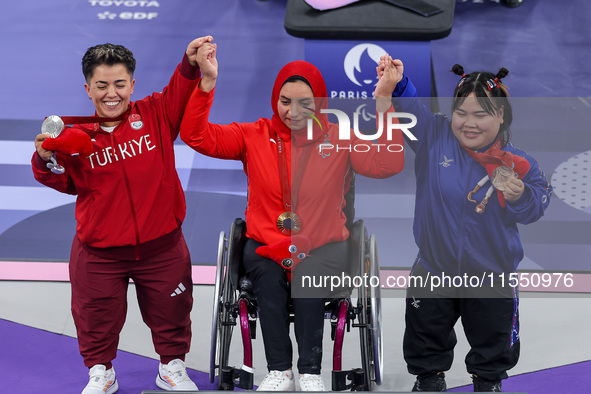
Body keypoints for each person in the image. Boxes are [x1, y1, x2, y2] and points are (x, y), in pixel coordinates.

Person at [180, 41, 404, 391]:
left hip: (323, 246)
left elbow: (389, 163)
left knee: (309, 273)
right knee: (267, 278)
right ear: (275, 100)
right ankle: (280, 371)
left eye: (305, 103)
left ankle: (311, 371)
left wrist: (384, 100)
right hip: (266, 243)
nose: (293, 112)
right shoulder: (253, 135)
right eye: (285, 102)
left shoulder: (340, 138)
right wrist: (206, 82)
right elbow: (195, 136)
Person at [32, 37, 214, 393]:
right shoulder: (75, 137)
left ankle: (171, 367)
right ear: (88, 89)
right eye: (101, 85)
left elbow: (182, 84)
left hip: (162, 247)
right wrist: (44, 157)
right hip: (100, 252)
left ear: (132, 84)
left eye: (119, 84)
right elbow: (59, 178)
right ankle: (102, 372)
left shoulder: (156, 113)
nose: (111, 93)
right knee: (95, 318)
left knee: (173, 313)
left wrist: (191, 62)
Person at [380, 56, 551, 392]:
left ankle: (487, 383)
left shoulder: (520, 163)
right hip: (434, 268)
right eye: (461, 112)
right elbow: (411, 109)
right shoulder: (435, 136)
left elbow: (537, 205)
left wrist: (520, 196)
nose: (468, 123)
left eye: (481, 114)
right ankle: (429, 379)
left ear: (501, 116)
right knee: (425, 336)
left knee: (493, 344)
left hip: (491, 275)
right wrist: (399, 83)